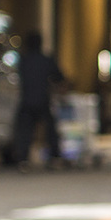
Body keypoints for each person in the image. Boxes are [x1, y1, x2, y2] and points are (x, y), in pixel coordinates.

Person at [10, 30, 66, 169]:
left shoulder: (22, 60)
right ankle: (55, 157)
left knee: (25, 131)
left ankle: (23, 159)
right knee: (50, 130)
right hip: (43, 100)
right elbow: (58, 77)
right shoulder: (46, 60)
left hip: (26, 100)